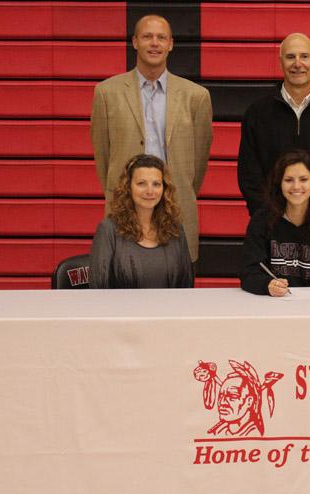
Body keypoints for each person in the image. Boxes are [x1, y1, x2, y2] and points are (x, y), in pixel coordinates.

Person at [91, 14, 213, 262]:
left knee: (176, 290)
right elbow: (103, 157)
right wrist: (125, 189)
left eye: (161, 37)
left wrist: (176, 188)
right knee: (123, 284)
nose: (154, 43)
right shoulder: (107, 93)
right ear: (135, 42)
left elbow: (198, 163)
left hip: (176, 205)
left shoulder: (196, 97)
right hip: (124, 206)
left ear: (171, 44)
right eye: (147, 36)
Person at [237, 32, 310, 218]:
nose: (298, 63)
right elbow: (249, 174)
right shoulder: (257, 113)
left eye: (304, 56)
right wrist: (270, 216)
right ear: (280, 62)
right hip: (270, 225)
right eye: (290, 57)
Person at [240, 150, 310, 296]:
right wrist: (266, 285)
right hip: (273, 306)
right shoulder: (262, 221)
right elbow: (248, 271)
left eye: (303, 179)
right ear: (280, 183)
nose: (296, 186)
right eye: (288, 180)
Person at [90, 154, 193, 288]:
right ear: (128, 187)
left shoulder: (176, 230)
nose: (150, 191)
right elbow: (99, 287)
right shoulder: (108, 230)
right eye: (141, 183)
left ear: (164, 189)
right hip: (120, 309)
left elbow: (186, 286)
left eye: (156, 184)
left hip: (169, 309)